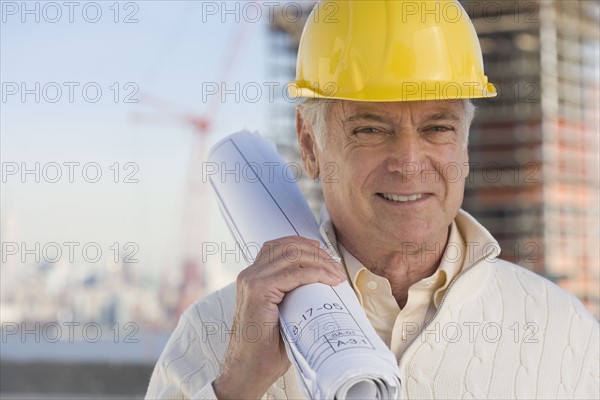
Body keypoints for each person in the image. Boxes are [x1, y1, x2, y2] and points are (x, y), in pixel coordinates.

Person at [146, 1, 599, 399]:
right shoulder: (215, 333)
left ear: (464, 141)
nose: (408, 161)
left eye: (437, 128)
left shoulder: (563, 329)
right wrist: (236, 389)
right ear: (309, 146)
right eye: (370, 129)